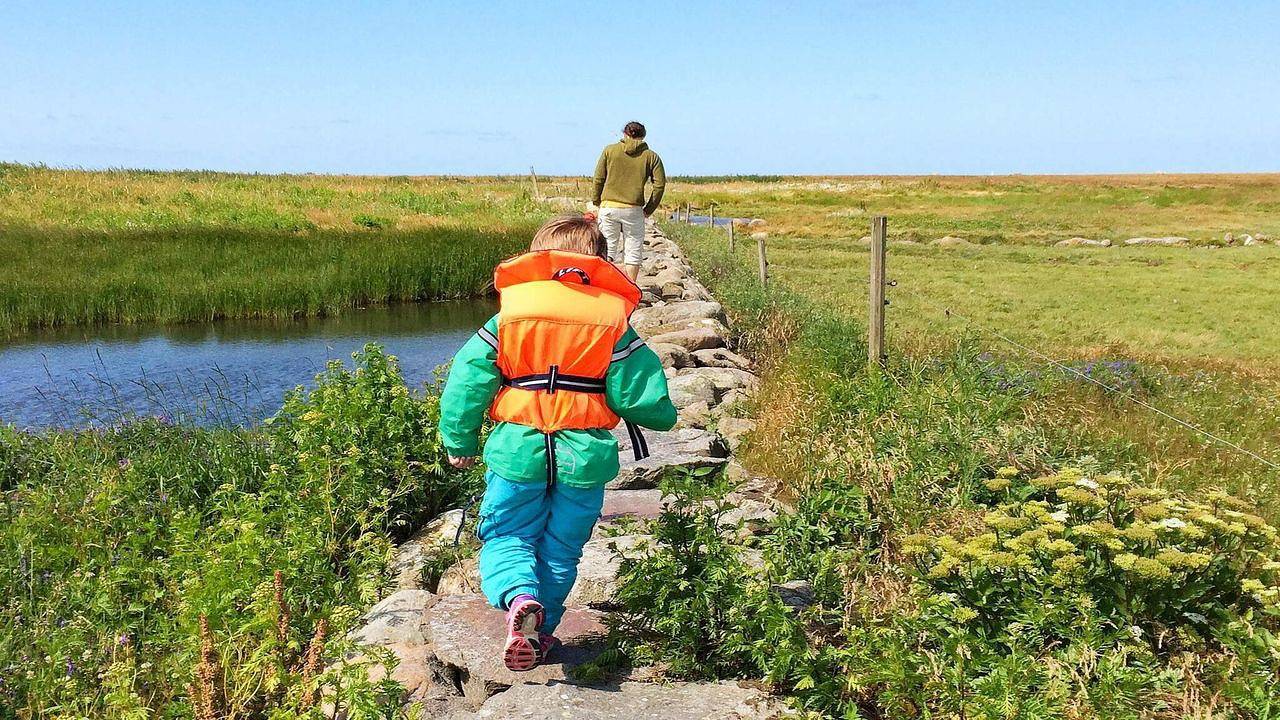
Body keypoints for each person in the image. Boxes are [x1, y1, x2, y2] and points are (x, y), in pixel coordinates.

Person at [438, 213, 677, 671]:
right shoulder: (614, 324)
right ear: (600, 263)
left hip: (517, 451)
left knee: (507, 533)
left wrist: (459, 439)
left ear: (538, 257)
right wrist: (663, 415)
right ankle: (541, 631)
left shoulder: (510, 316)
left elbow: (467, 382)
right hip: (583, 456)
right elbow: (641, 398)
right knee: (562, 547)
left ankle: (519, 598)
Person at [592, 121, 666, 283]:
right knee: (633, 249)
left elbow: (598, 178)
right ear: (643, 136)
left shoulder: (609, 151)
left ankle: (604, 284)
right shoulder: (651, 156)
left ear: (624, 134)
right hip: (633, 209)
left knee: (607, 247)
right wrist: (649, 209)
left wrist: (597, 200)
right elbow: (659, 185)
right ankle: (631, 286)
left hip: (608, 206)